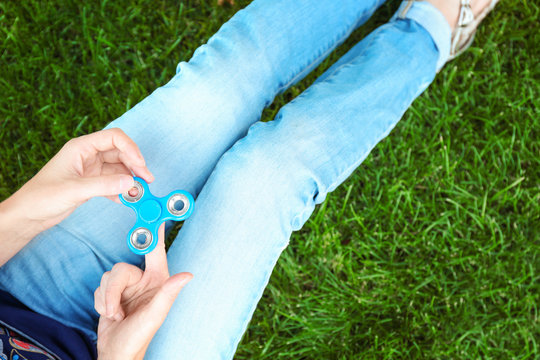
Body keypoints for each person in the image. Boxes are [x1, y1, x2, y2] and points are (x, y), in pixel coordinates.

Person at [0, 0, 498, 358]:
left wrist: (25, 209)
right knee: (267, 177)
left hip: (20, 287)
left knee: (222, 84)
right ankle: (434, 26)